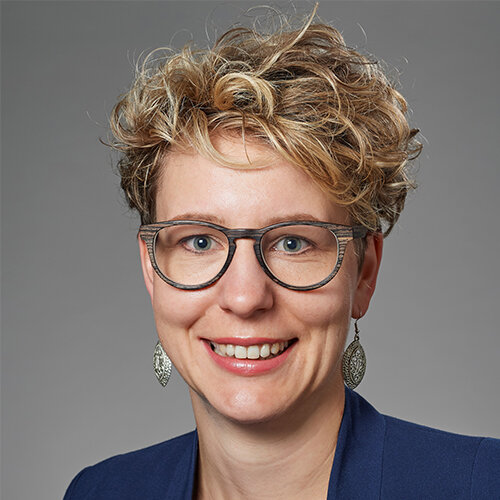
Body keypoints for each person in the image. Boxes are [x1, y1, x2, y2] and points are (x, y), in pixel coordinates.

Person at [63, 10, 500, 500]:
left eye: (294, 242)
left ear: (364, 273)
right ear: (151, 268)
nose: (246, 297)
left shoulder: (483, 484)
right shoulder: (102, 491)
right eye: (200, 241)